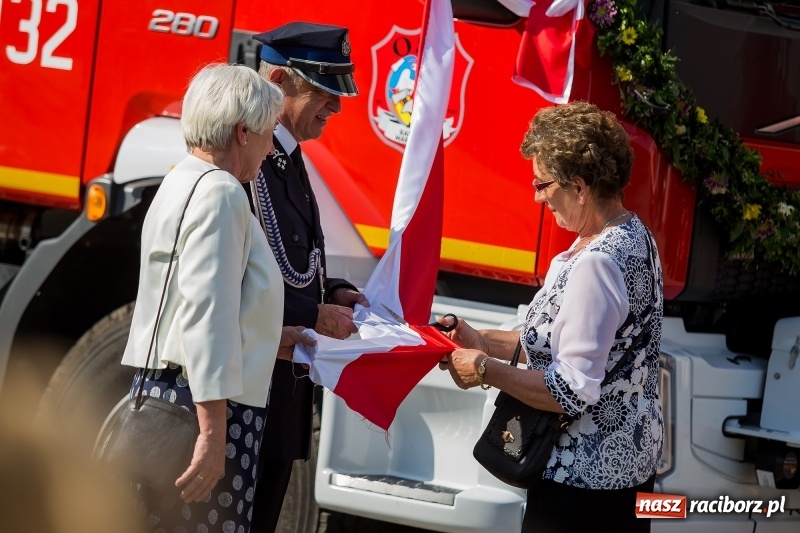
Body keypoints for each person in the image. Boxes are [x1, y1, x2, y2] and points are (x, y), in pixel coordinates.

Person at [439, 101, 664, 533]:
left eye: (543, 184)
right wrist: (483, 340)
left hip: (583, 488)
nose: (537, 197)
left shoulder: (597, 263)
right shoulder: (634, 234)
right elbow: (563, 338)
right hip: (623, 471)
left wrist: (485, 370)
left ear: (578, 187)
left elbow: (570, 390)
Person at [121, 62, 314, 532]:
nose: (271, 149)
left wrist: (277, 335)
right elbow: (207, 316)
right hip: (202, 408)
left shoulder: (180, 179)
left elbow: (191, 306)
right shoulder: (224, 193)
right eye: (269, 134)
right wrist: (212, 433)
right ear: (243, 133)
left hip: (166, 396)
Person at [246, 22, 370, 532]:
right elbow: (240, 276)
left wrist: (333, 290)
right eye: (323, 92)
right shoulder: (250, 159)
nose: (336, 107)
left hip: (280, 396)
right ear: (278, 81)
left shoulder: (288, 158)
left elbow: (290, 263)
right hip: (251, 396)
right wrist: (313, 312)